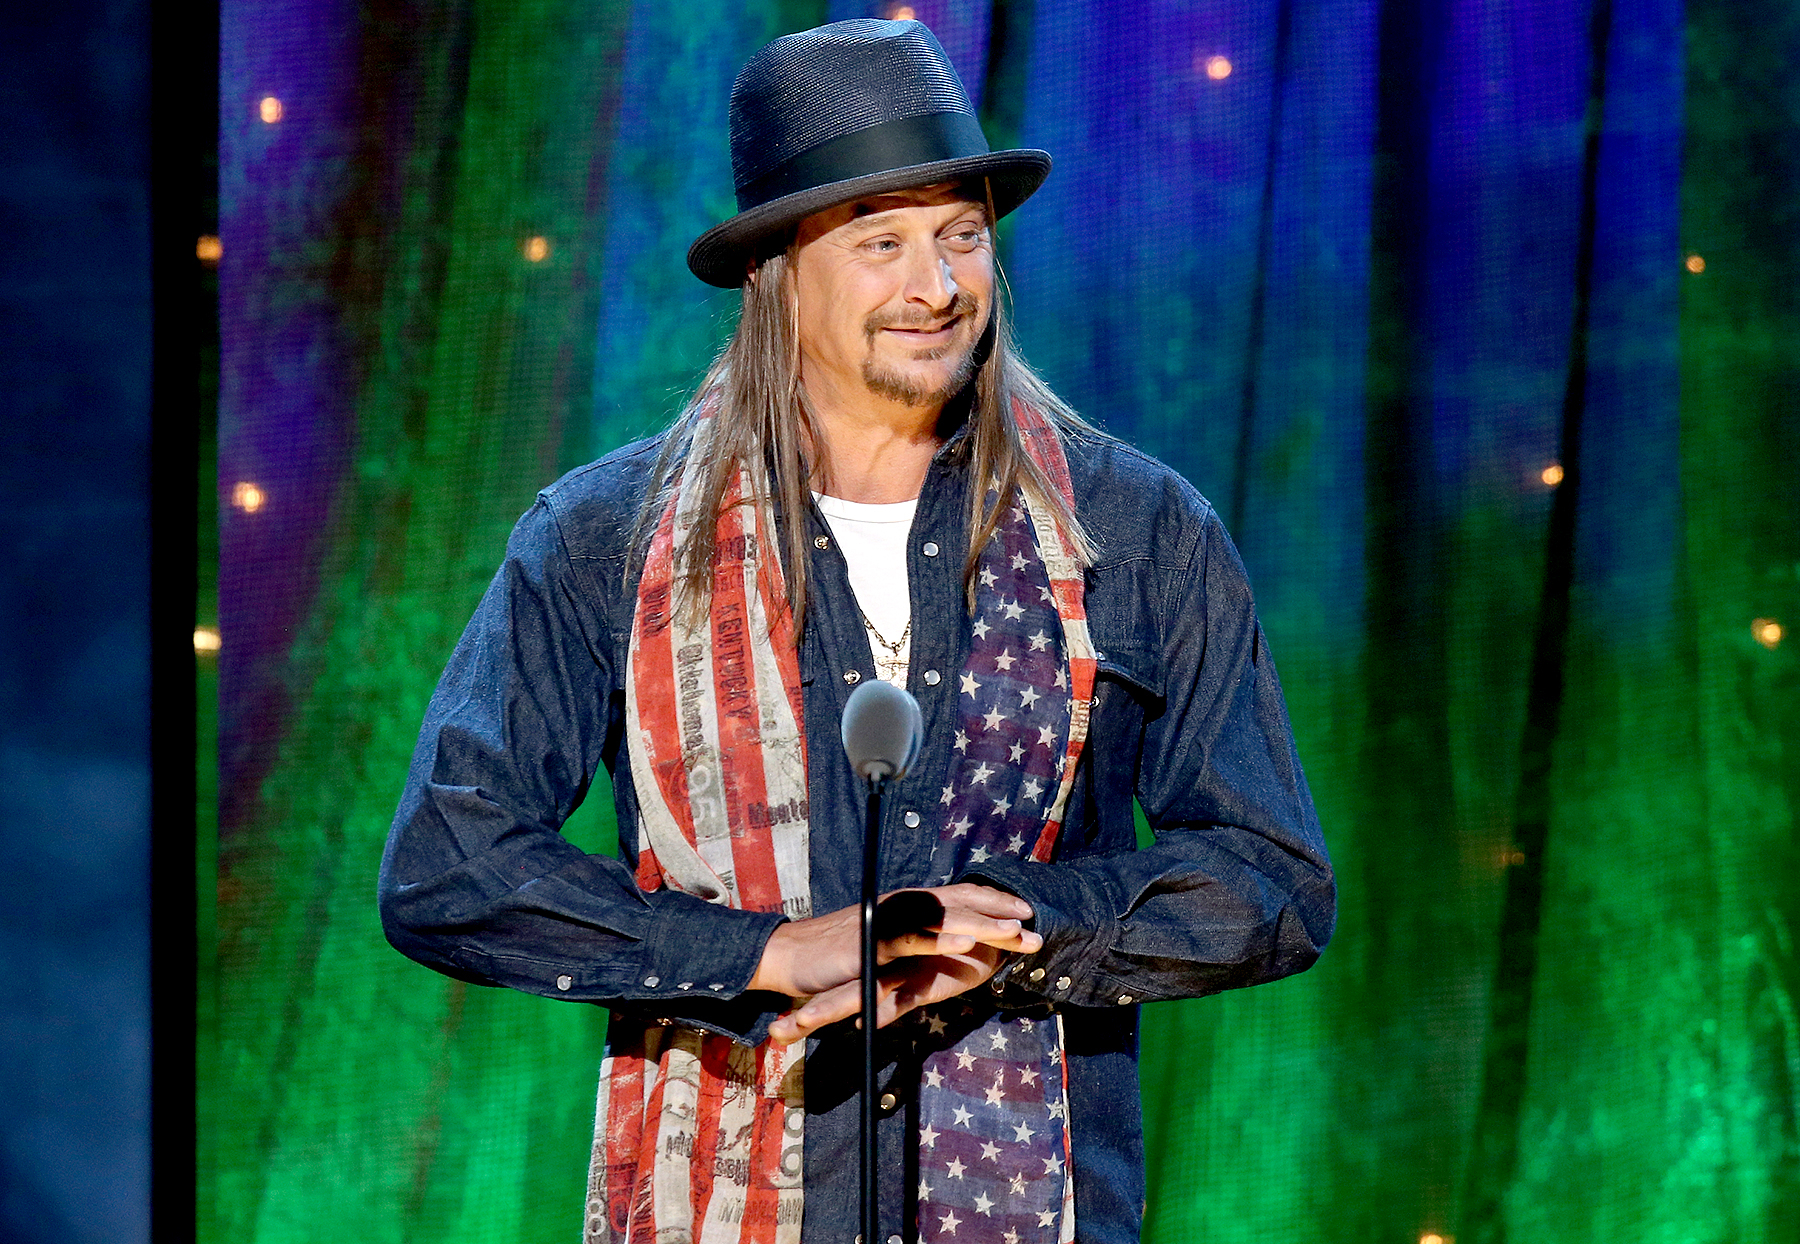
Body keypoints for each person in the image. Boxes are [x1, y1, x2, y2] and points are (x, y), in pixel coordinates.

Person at [380, 18, 1333, 1244]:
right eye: (882, 241)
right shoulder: (604, 539)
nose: (935, 287)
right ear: (778, 269)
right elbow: (448, 866)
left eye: (961, 236)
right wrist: (768, 951)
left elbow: (1273, 879)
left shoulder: (1136, 530)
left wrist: (1021, 926)